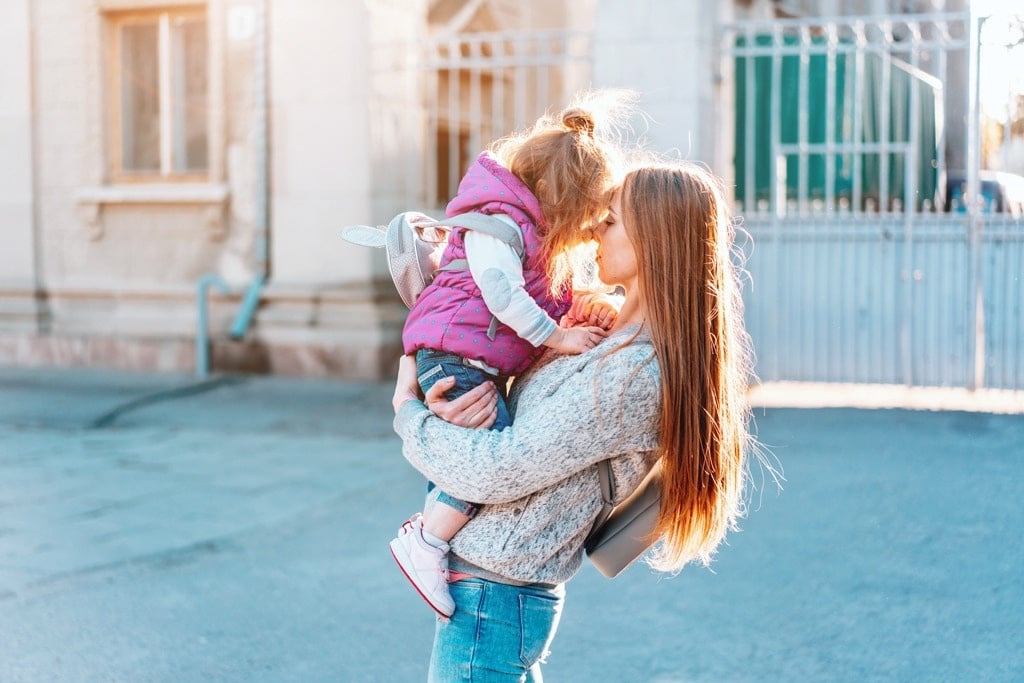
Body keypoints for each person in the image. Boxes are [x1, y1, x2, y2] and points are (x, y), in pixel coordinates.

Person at [391, 160, 765, 681]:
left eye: (610, 221)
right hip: (493, 594)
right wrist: (457, 405)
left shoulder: (632, 373)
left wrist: (409, 416)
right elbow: (520, 425)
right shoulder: (607, 339)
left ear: (653, 240)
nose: (593, 230)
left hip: (496, 599)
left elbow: (500, 469)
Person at [389, 94, 629, 619]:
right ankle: (426, 540)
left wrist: (583, 310)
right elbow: (502, 296)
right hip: (452, 356)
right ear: (553, 196)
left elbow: (548, 300)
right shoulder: (495, 226)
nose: (590, 231)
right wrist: (558, 337)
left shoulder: (530, 237)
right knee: (485, 454)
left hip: (472, 361)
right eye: (587, 216)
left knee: (470, 445)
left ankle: (434, 537)